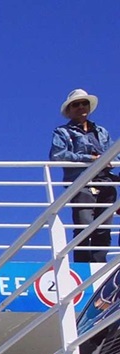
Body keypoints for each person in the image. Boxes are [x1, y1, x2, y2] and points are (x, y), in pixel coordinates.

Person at [51, 88, 117, 265]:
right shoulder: (63, 132)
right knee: (84, 224)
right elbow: (57, 155)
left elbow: (114, 154)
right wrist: (90, 159)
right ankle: (83, 267)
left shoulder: (101, 131)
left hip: (105, 182)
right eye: (76, 104)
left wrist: (109, 160)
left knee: (103, 229)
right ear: (70, 110)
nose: (81, 107)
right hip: (81, 182)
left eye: (84, 103)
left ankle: (98, 266)